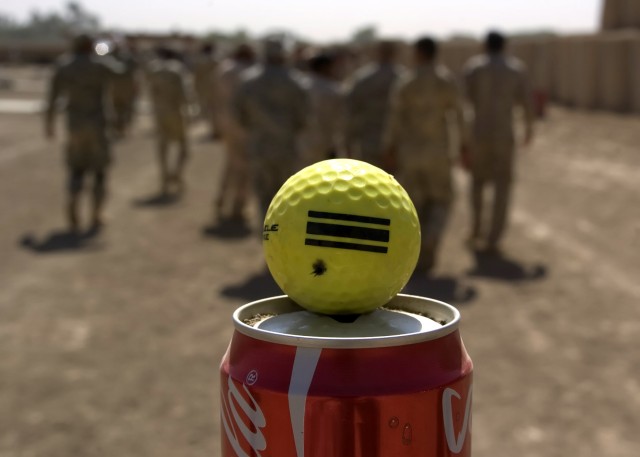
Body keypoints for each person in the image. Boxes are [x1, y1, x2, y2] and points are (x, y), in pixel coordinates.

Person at [383, 37, 466, 272]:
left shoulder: (406, 83)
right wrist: (465, 145)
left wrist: (389, 149)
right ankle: (432, 237)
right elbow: (461, 115)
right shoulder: (446, 81)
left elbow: (394, 120)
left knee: (413, 204)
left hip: (410, 153)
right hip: (438, 152)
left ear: (418, 53)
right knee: (442, 199)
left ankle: (415, 252)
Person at [462, 30, 534, 253]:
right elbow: (526, 103)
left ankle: (475, 229)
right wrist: (529, 128)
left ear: (485, 45)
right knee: (502, 185)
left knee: (477, 183)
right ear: (504, 46)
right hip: (504, 134)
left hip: (479, 132)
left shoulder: (474, 67)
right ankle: (494, 236)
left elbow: (464, 101)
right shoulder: (515, 69)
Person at [45, 33, 122, 233]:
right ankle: (96, 214)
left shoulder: (64, 66)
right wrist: (108, 51)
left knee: (76, 168)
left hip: (74, 124)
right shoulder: (100, 64)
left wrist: (49, 124)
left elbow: (52, 97)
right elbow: (123, 73)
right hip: (98, 124)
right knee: (99, 171)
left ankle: (73, 207)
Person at [233, 36, 309, 226]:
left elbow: (238, 114)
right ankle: (282, 241)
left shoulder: (249, 81)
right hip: (286, 147)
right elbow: (304, 118)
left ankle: (266, 239)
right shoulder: (296, 82)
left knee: (263, 196)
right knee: (286, 196)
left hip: (259, 146)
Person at [345, 40, 406, 168]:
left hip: (369, 140)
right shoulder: (404, 78)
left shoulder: (363, 78)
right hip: (398, 144)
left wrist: (348, 142)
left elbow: (350, 113)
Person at [213, 43, 256, 222]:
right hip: (245, 125)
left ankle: (221, 199)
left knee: (231, 163)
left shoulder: (224, 69)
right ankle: (238, 205)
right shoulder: (251, 73)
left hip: (227, 122)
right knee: (245, 168)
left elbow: (215, 96)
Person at [147, 46, 190, 196]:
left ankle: (164, 178)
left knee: (163, 147)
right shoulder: (177, 69)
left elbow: (150, 91)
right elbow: (185, 93)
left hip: (160, 112)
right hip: (175, 112)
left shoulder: (153, 69)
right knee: (184, 147)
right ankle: (176, 173)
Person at [298, 52, 346, 169]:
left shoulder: (298, 86)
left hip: (301, 142)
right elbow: (342, 120)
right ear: (325, 67)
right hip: (325, 142)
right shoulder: (333, 90)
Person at [109, 38, 139, 138]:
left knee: (119, 109)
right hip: (124, 88)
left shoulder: (110, 58)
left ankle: (120, 128)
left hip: (116, 89)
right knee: (124, 109)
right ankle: (121, 128)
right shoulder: (128, 58)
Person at [191, 41, 220, 139]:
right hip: (216, 89)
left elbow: (196, 77)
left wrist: (195, 89)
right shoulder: (217, 60)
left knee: (209, 111)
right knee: (216, 110)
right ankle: (216, 130)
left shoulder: (201, 61)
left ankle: (214, 130)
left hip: (205, 89)